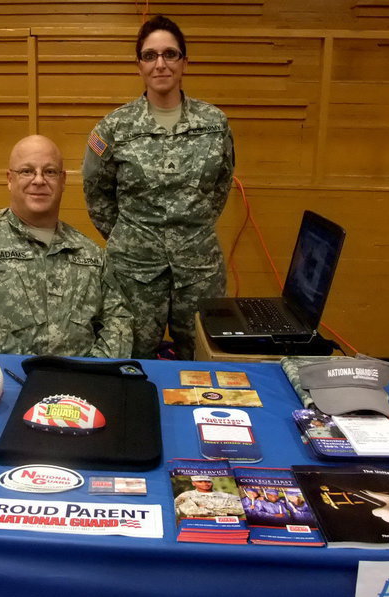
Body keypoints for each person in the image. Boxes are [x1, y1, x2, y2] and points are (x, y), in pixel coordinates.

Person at [82, 15, 235, 359]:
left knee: (204, 361)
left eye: (170, 54)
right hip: (133, 272)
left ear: (184, 62)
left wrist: (189, 231)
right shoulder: (114, 128)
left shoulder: (214, 123)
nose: (160, 64)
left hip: (199, 270)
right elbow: (96, 192)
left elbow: (221, 185)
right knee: (130, 361)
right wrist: (131, 237)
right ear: (139, 65)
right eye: (150, 56)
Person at [0, 135, 133, 358]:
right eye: (27, 171)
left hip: (81, 384)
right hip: (9, 379)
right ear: (10, 179)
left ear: (63, 180)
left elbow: (119, 319)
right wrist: (33, 368)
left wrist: (94, 369)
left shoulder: (90, 252)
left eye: (49, 172)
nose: (39, 180)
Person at [174, 475, 244, 518]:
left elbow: (241, 510)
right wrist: (222, 510)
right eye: (200, 482)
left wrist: (204, 508)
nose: (205, 484)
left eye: (207, 481)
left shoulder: (225, 496)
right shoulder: (186, 495)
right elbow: (189, 511)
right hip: (196, 524)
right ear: (193, 483)